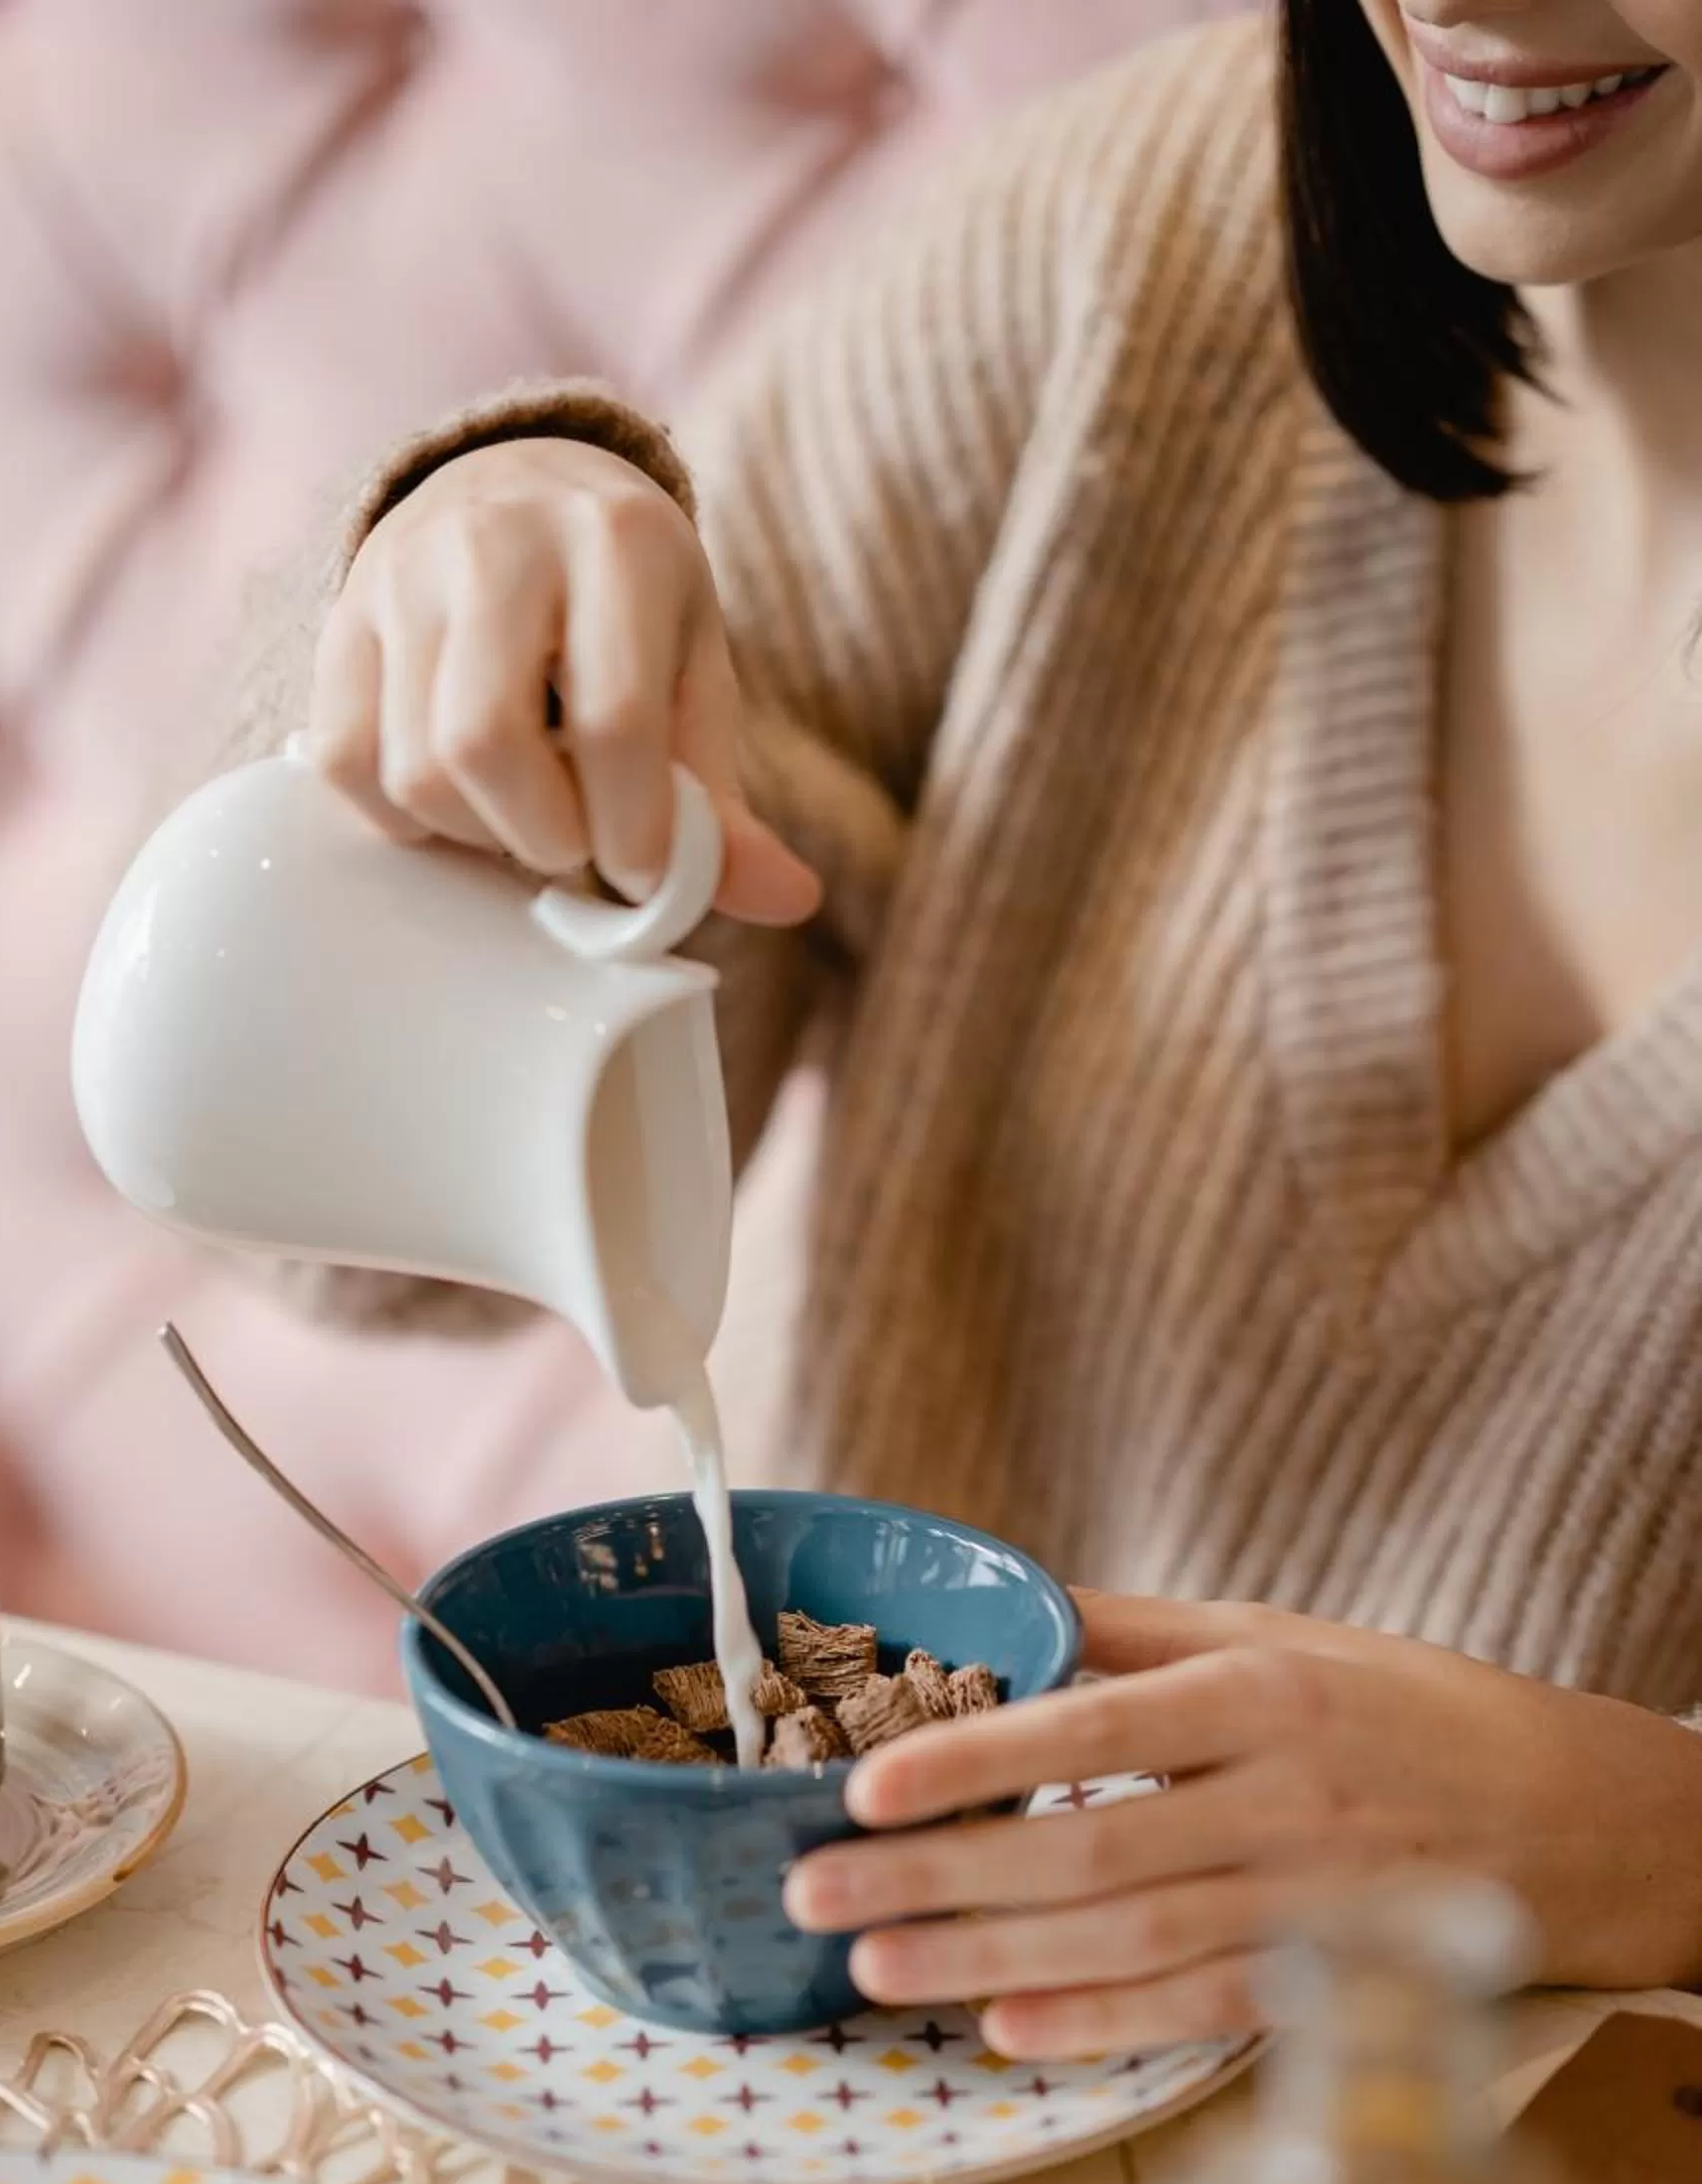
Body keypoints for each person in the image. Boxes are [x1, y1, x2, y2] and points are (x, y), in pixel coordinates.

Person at [279, 4, 1702, 2058]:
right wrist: (456, 587)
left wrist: (1644, 1845)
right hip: (784, 2115)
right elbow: (364, 1254)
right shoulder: (1147, 255)